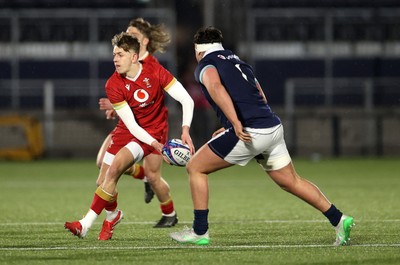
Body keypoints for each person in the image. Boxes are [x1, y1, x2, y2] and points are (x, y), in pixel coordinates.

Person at [170, 26, 354, 246]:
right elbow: (261, 96)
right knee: (290, 181)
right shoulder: (238, 61)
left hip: (251, 130)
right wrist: (231, 124)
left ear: (197, 49)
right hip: (272, 126)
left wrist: (236, 123)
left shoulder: (205, 64)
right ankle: (338, 219)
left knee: (195, 167)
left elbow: (216, 87)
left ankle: (200, 232)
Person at [65, 32, 195, 240]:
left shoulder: (155, 71)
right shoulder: (113, 84)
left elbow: (187, 100)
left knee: (116, 168)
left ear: (134, 57)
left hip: (151, 132)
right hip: (129, 130)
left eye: (120, 54)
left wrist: (185, 130)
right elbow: (131, 125)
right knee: (103, 183)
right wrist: (157, 145)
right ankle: (113, 215)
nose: (115, 59)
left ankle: (84, 224)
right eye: (114, 54)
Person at [96, 18, 173, 205]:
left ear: (145, 41)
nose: (129, 37)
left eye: (134, 35)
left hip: (153, 127)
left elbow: (147, 100)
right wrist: (118, 106)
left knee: (154, 176)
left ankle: (169, 213)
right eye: (128, 33)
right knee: (102, 163)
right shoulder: (126, 61)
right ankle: (141, 176)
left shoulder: (151, 67)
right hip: (130, 126)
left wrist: (117, 106)